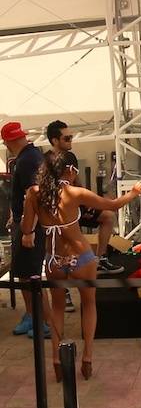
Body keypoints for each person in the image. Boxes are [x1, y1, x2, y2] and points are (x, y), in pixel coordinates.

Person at [21, 152, 141, 380]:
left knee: (57, 307)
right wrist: (134, 192)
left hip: (54, 260)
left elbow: (26, 228)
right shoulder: (74, 193)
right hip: (81, 257)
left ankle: (57, 360)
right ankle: (87, 357)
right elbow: (112, 205)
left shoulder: (34, 193)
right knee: (88, 304)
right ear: (70, 170)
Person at [45, 120, 121, 273]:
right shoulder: (46, 160)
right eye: (67, 138)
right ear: (55, 140)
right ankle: (63, 267)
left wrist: (87, 204)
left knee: (108, 217)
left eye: (71, 137)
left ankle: (101, 259)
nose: (70, 141)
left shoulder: (70, 157)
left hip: (73, 205)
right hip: (58, 211)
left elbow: (78, 183)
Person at [3, 121, 50, 338]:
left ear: (8, 142)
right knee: (23, 273)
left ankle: (43, 321)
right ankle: (32, 315)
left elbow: (35, 195)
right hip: (25, 224)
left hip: (30, 227)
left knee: (32, 275)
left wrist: (28, 229)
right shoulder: (28, 157)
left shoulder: (28, 160)